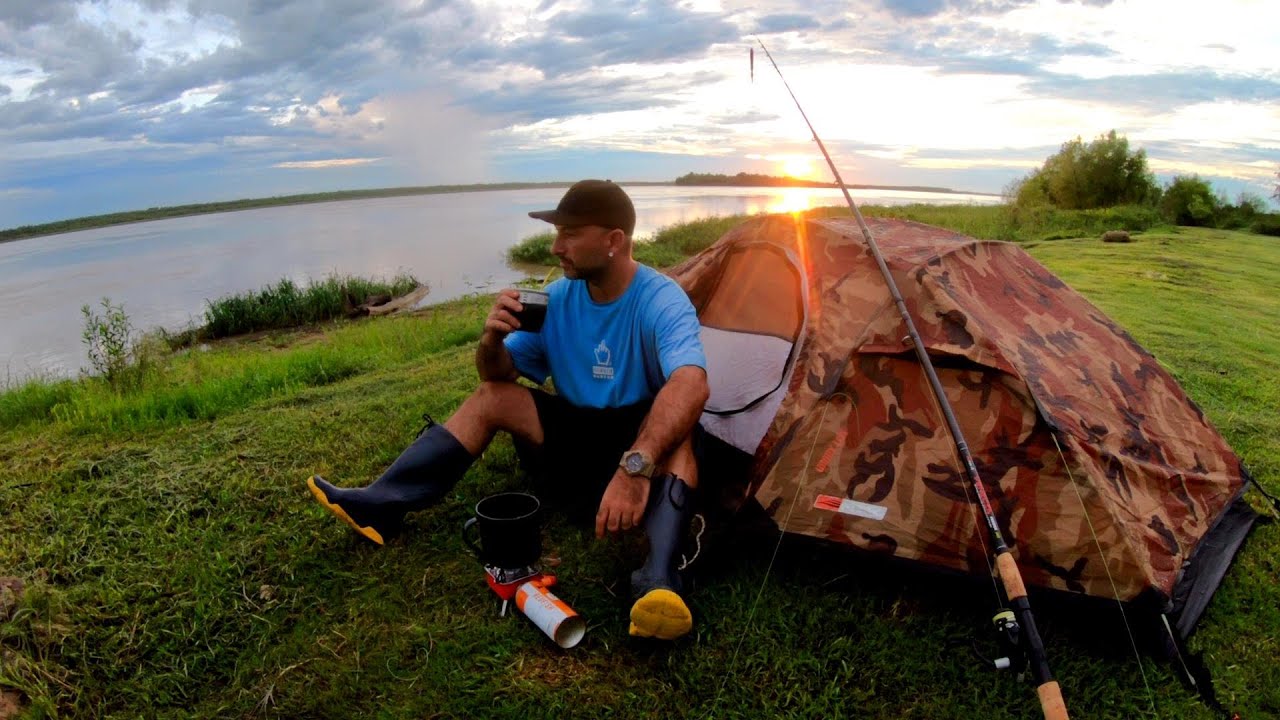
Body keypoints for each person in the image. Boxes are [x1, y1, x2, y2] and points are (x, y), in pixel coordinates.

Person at [307, 179, 710, 641]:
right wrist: (491, 340)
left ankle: (658, 580)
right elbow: (497, 376)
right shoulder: (556, 299)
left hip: (637, 437)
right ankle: (382, 504)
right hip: (575, 435)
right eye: (556, 233)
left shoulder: (660, 299)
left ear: (614, 240)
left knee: (679, 433)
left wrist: (635, 469)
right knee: (491, 399)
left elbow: (691, 382)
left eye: (570, 233)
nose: (556, 246)